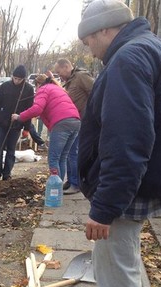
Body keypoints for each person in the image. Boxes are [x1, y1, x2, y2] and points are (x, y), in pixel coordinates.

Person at [77, 1, 161, 287]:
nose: (89, 50)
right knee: (118, 275)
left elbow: (127, 141)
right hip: (143, 183)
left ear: (105, 28)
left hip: (126, 194)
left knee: (117, 286)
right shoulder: (153, 48)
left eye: (89, 40)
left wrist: (104, 208)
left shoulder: (128, 59)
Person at [11, 74, 80, 182]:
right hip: (75, 121)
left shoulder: (43, 89)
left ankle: (55, 190)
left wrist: (19, 117)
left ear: (38, 84)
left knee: (53, 158)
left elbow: (37, 108)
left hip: (61, 123)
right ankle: (59, 187)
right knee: (62, 157)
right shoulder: (56, 88)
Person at [53, 58, 94, 194]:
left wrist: (91, 114)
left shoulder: (81, 76)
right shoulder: (71, 80)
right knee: (70, 152)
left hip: (82, 120)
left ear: (66, 67)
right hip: (75, 119)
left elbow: (95, 93)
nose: (60, 76)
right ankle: (71, 181)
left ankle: (76, 184)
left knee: (72, 153)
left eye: (60, 73)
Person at [0, 65, 34, 181]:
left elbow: (29, 110)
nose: (16, 81)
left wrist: (27, 128)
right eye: (15, 78)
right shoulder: (5, 86)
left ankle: (7, 173)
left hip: (17, 125)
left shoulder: (28, 89)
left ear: (23, 79)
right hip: (2, 123)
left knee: (11, 150)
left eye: (19, 79)